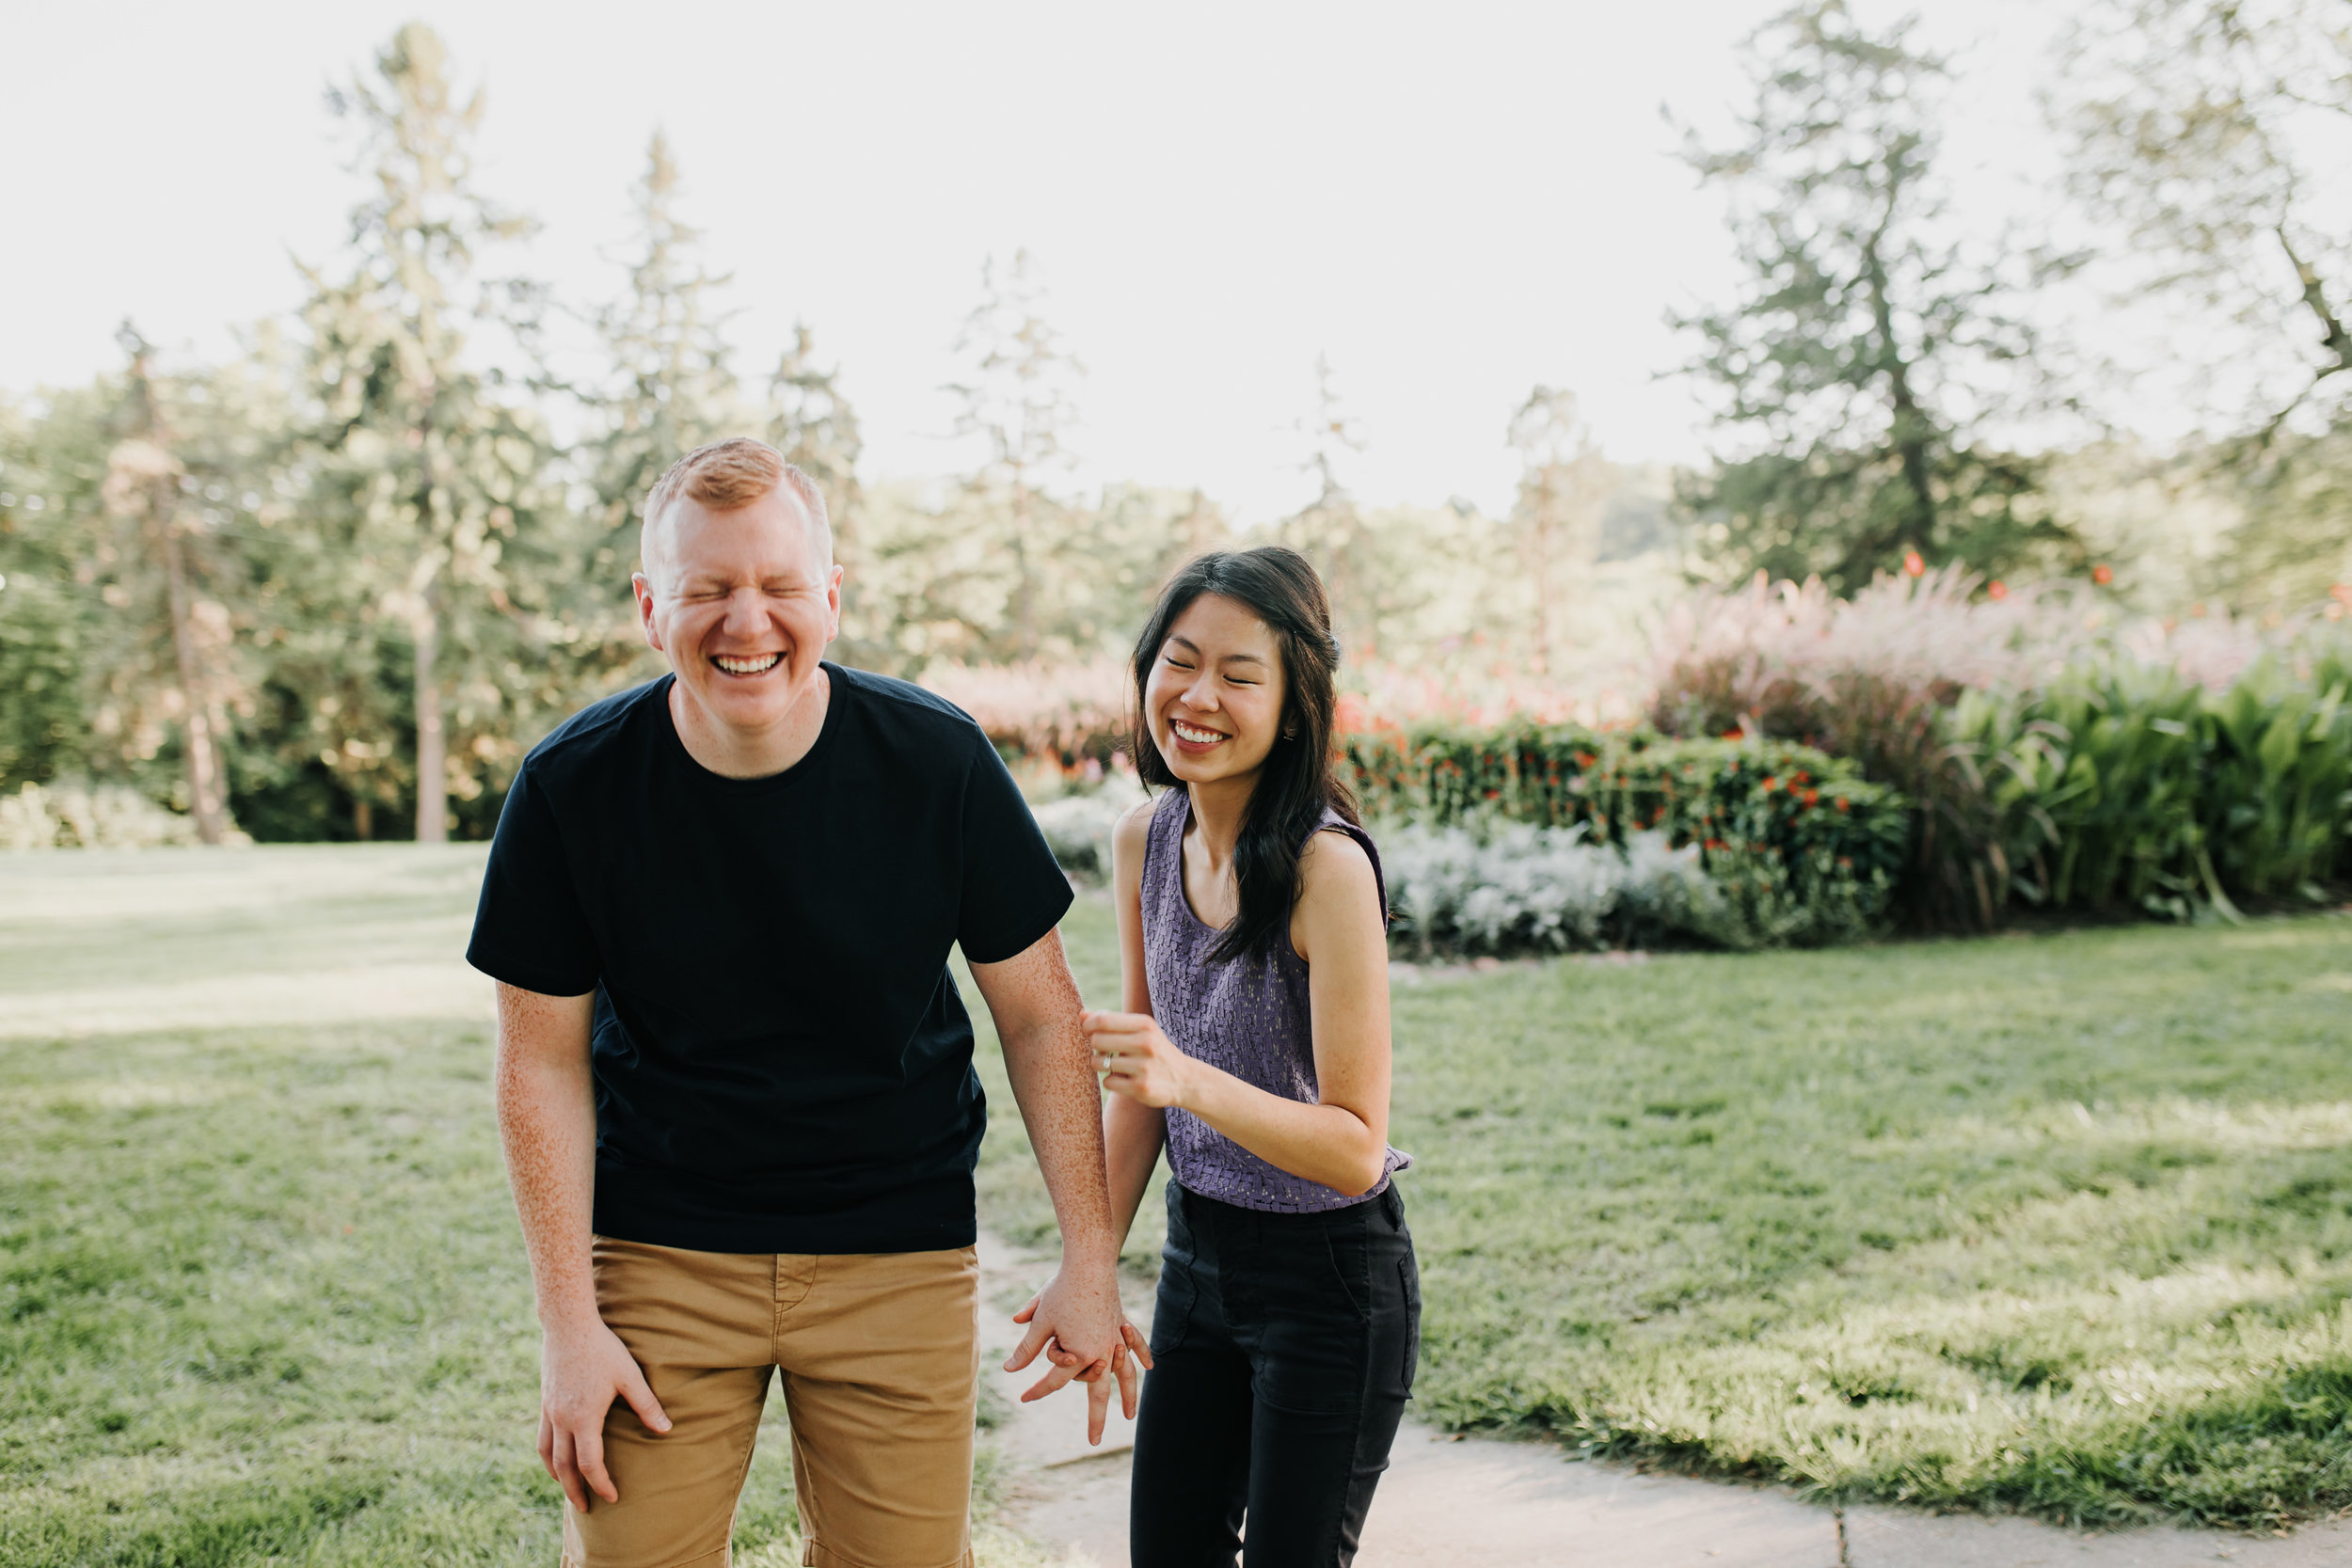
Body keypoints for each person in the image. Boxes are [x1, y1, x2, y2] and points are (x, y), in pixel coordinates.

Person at [468, 436, 1136, 1568]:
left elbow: (1039, 1014)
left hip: (897, 1251)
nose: (747, 621)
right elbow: (539, 1060)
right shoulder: (571, 784)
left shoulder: (937, 761)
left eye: (779, 586)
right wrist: (568, 1325)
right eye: (707, 589)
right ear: (648, 606)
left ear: (830, 596)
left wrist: (1090, 1252)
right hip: (660, 1253)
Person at [1079, 546, 1419, 1567]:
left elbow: (1356, 1148)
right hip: (1199, 1262)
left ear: (1293, 701)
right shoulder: (1148, 836)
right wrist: (1087, 1264)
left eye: (1239, 673)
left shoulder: (1325, 867)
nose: (1198, 695)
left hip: (1331, 1282)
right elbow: (1143, 1089)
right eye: (1178, 662)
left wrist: (1189, 1079)